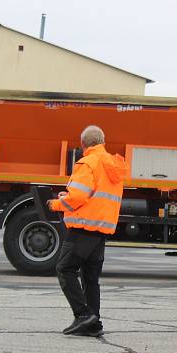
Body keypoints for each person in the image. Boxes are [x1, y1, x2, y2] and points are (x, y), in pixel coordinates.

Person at [48, 125, 126, 337]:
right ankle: (93, 322)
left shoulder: (87, 163)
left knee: (65, 268)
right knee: (90, 276)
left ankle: (83, 316)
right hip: (101, 228)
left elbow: (78, 197)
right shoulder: (112, 164)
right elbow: (96, 194)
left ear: (83, 144)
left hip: (83, 226)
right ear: (102, 142)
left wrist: (56, 203)